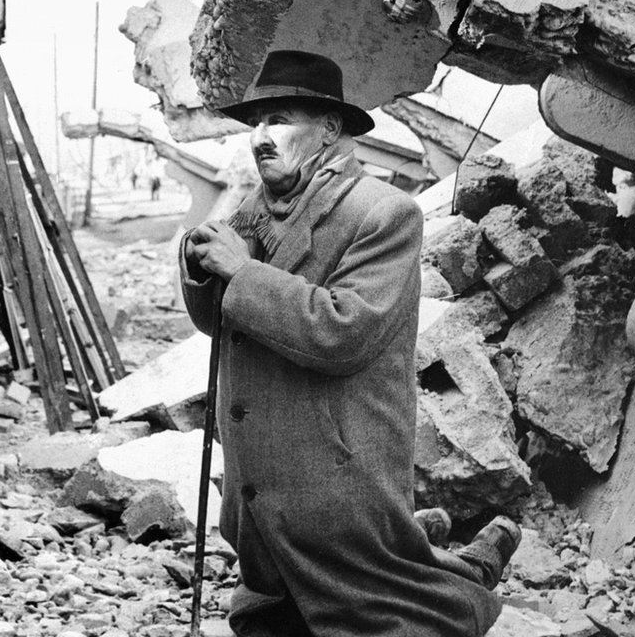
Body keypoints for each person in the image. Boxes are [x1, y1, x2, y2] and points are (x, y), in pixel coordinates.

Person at [180, 50, 519, 637]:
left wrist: (242, 272)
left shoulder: (383, 213)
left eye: (280, 119)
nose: (261, 136)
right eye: (256, 123)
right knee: (273, 612)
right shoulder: (254, 212)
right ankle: (435, 547)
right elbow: (222, 324)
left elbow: (345, 331)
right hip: (262, 482)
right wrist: (198, 267)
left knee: (377, 610)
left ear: (330, 129)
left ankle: (465, 582)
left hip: (334, 473)